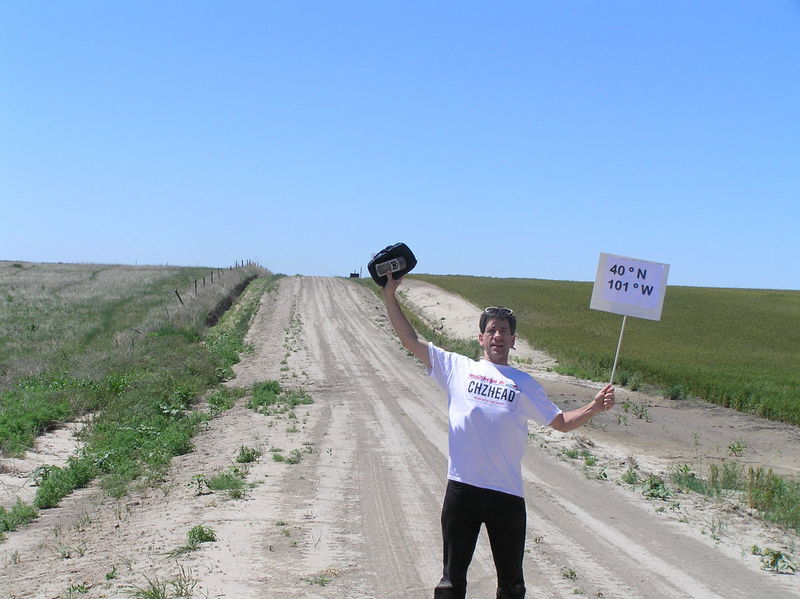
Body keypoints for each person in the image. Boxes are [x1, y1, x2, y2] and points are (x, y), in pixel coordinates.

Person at [381, 272, 615, 599]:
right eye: (491, 330)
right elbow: (410, 340)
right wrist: (390, 295)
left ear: (513, 339)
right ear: (480, 338)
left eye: (504, 331)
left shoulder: (524, 383)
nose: (498, 336)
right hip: (462, 488)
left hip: (505, 493)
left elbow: (560, 422)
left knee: (512, 586)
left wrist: (593, 407)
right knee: (450, 583)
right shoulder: (457, 368)